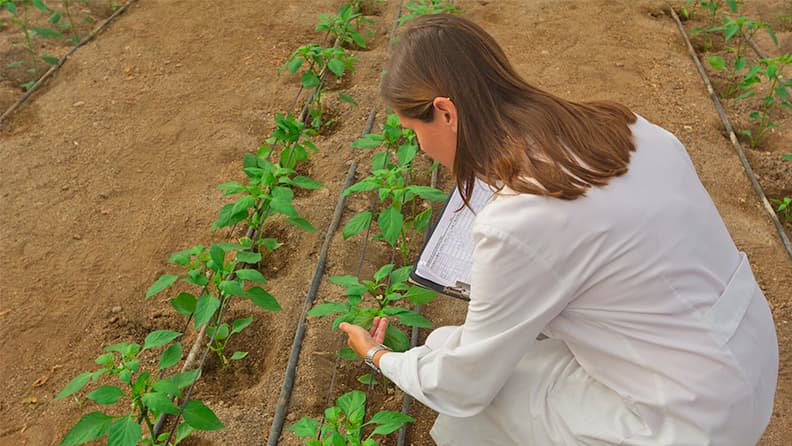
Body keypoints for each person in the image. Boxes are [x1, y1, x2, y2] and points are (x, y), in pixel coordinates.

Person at [338, 14, 778, 446]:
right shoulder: (627, 127)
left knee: (475, 394)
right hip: (746, 351)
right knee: (450, 345)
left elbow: (463, 385)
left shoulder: (518, 219)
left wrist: (380, 357)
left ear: (445, 113)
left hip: (691, 419)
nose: (420, 146)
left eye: (413, 129)